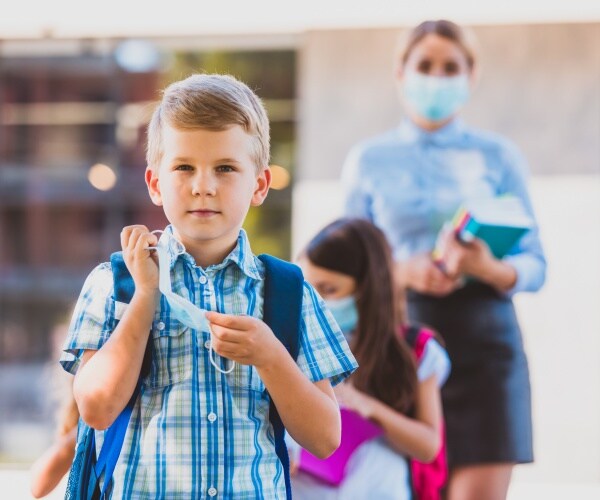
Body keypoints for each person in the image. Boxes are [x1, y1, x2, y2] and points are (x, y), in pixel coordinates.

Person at [60, 73, 357, 498]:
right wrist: (146, 297)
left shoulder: (289, 291)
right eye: (184, 167)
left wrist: (271, 356)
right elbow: (96, 409)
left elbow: (326, 438)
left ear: (259, 185)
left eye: (225, 168)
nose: (203, 185)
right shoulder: (115, 282)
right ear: (155, 184)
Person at [341, 19, 546, 500]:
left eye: (450, 67)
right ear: (401, 72)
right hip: (400, 348)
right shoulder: (368, 159)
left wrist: (487, 268)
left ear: (471, 76)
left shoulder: (499, 156)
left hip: (486, 346)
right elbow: (343, 266)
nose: (437, 77)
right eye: (425, 65)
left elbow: (537, 262)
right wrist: (400, 271)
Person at [291, 218, 450, 499]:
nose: (317, 301)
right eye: (308, 289)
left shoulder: (413, 350)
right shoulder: (289, 343)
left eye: (329, 290)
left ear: (369, 289)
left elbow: (428, 446)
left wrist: (366, 406)